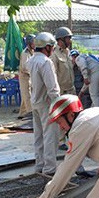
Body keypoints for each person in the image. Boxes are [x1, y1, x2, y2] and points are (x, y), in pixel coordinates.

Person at [26, 32, 61, 175]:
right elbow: (52, 88)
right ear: (47, 47)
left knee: (38, 136)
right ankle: (50, 168)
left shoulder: (31, 60)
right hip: (46, 104)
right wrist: (59, 105)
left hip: (35, 102)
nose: (53, 49)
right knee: (50, 136)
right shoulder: (46, 62)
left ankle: (40, 165)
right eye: (52, 47)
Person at [51, 27, 76, 95]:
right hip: (62, 92)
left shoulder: (68, 52)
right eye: (68, 38)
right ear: (61, 39)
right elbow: (53, 75)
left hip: (72, 90)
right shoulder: (54, 54)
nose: (70, 41)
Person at [18, 34, 35, 119]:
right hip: (25, 76)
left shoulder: (32, 52)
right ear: (29, 43)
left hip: (29, 76)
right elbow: (25, 67)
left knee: (26, 95)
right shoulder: (25, 53)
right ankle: (30, 112)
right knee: (27, 94)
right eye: (34, 42)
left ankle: (22, 113)